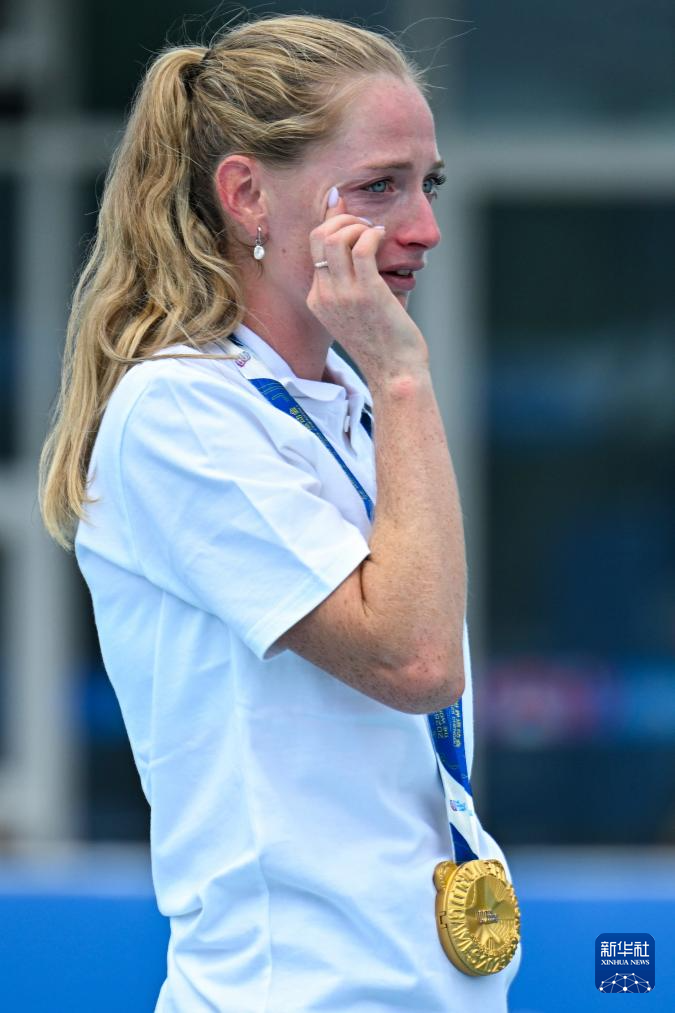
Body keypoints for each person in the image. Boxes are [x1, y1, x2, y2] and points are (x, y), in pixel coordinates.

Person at [40, 13, 521, 1012]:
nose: (425, 226)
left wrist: (385, 383)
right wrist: (402, 375)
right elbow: (414, 659)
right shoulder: (180, 409)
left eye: (428, 184)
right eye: (380, 185)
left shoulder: (345, 402)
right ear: (247, 194)